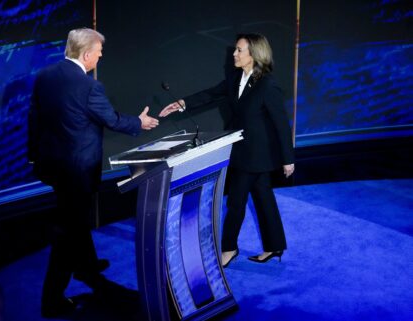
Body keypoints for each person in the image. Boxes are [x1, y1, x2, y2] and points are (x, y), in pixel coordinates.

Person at [28, 27, 159, 317]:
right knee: (67, 232)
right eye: (99, 53)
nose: (100, 57)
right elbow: (110, 119)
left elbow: (34, 120)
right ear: (87, 55)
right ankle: (52, 300)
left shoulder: (45, 76)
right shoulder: (89, 87)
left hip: (54, 167)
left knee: (74, 219)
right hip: (78, 170)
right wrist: (139, 122)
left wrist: (34, 160)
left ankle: (86, 267)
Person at [159, 33, 294, 267]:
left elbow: (281, 124)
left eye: (239, 50)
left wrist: (287, 159)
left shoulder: (268, 85)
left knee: (236, 202)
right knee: (263, 198)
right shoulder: (235, 78)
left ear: (253, 54)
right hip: (241, 149)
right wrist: (183, 103)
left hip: (256, 155)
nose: (234, 53)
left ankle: (229, 248)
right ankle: (275, 246)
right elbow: (212, 94)